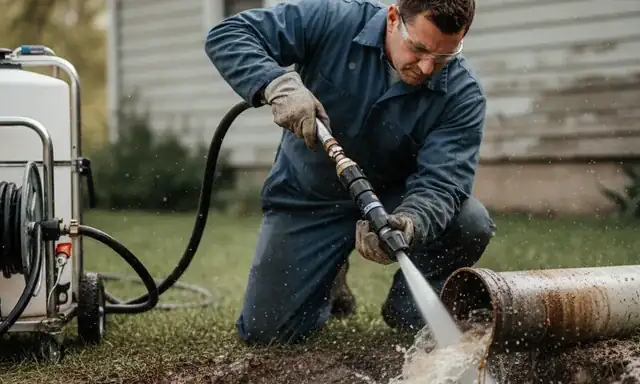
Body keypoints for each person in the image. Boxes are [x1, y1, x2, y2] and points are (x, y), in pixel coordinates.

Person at [204, 0, 495, 345]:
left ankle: (411, 310)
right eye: (418, 49)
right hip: (311, 199)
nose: (428, 68)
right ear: (392, 19)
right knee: (267, 333)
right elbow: (229, 34)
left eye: (444, 56)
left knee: (469, 221)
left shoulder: (463, 94)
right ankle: (328, 278)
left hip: (390, 202)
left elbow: (443, 184)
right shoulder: (332, 20)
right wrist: (275, 84)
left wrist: (410, 222)